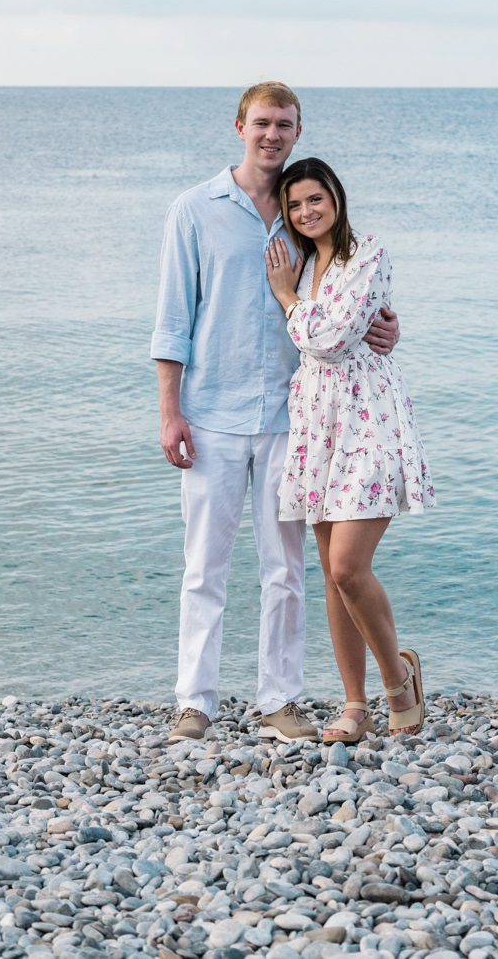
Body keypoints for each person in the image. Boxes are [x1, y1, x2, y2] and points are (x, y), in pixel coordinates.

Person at [152, 83, 400, 743]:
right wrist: (169, 411)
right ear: (239, 125)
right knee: (205, 565)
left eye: (284, 124)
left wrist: (386, 326)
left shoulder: (303, 213)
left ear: (297, 131)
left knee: (285, 568)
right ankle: (193, 702)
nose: (272, 134)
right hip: (211, 414)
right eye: (261, 122)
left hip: (297, 422)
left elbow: (344, 299)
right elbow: (172, 320)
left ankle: (279, 701)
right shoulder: (194, 210)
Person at [263, 156, 434, 741]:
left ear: (336, 197)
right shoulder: (304, 262)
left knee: (348, 565)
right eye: (295, 205)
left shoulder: (368, 255)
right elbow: (322, 338)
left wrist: (287, 299)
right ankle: (354, 706)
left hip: (369, 418)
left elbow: (332, 340)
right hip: (316, 422)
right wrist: (298, 296)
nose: (307, 211)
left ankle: (398, 684)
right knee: (332, 575)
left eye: (316, 198)